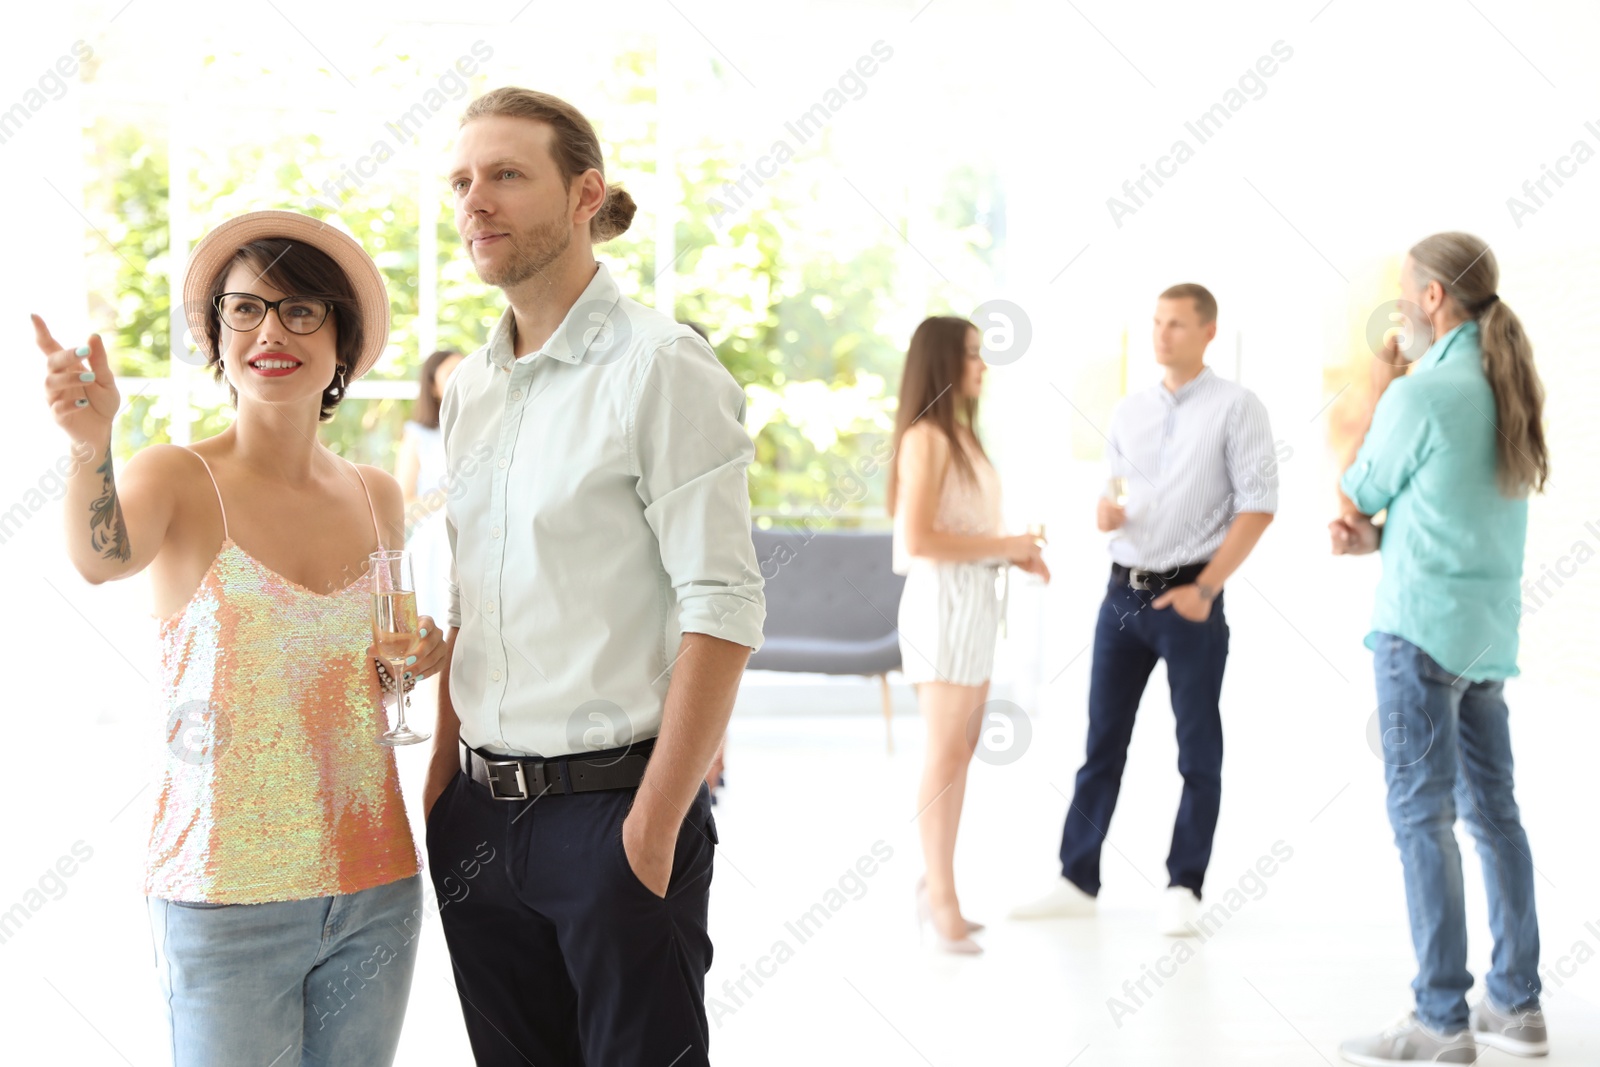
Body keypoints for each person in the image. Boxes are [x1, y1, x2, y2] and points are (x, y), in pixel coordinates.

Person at [34, 209, 449, 1066]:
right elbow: (97, 559)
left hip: (376, 882)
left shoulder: (378, 494)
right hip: (223, 891)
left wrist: (414, 657)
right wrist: (90, 447)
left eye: (302, 310)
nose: (271, 330)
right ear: (217, 337)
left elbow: (375, 666)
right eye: (246, 309)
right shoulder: (176, 476)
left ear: (343, 339)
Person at [424, 88, 765, 1066]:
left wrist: (650, 829)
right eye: (460, 182)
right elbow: (466, 596)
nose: (474, 201)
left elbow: (724, 604)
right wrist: (443, 783)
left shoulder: (662, 366)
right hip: (477, 816)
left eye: (505, 175)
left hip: (613, 815)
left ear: (584, 195)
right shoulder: (472, 388)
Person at [1333, 234, 1550, 1066]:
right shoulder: (1507, 387)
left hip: (1418, 632)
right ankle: (1517, 1005)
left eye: (1404, 292)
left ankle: (1440, 1019)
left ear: (1431, 300)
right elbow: (1442, 505)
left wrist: (1381, 380)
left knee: (1422, 817)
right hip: (1485, 636)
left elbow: (1357, 487)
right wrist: (1377, 531)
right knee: (1495, 814)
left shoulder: (1422, 394)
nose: (1399, 307)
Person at [1011, 283, 1277, 936]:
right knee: (1101, 741)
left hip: (1192, 596)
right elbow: (1114, 494)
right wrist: (1105, 511)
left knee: (1196, 749)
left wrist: (1207, 588)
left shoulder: (1238, 408)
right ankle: (1077, 878)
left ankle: (1184, 884)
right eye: (1157, 323)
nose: (1163, 335)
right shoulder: (1128, 410)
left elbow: (1259, 504)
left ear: (1209, 332)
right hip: (1121, 592)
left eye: (1178, 324)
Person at [889, 315, 1050, 955]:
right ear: (942, 362)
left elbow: (969, 528)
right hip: (941, 610)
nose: (983, 366)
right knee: (945, 756)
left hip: (975, 607)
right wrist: (1004, 544)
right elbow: (919, 539)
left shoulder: (963, 435)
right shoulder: (926, 437)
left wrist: (1014, 553)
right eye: (974, 356)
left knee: (960, 754)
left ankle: (939, 886)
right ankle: (940, 899)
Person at [397, 347, 464, 622]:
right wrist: (447, 496)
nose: (461, 378)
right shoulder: (419, 435)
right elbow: (404, 501)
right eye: (451, 373)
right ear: (433, 387)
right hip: (434, 546)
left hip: (475, 540)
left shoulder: (484, 430)